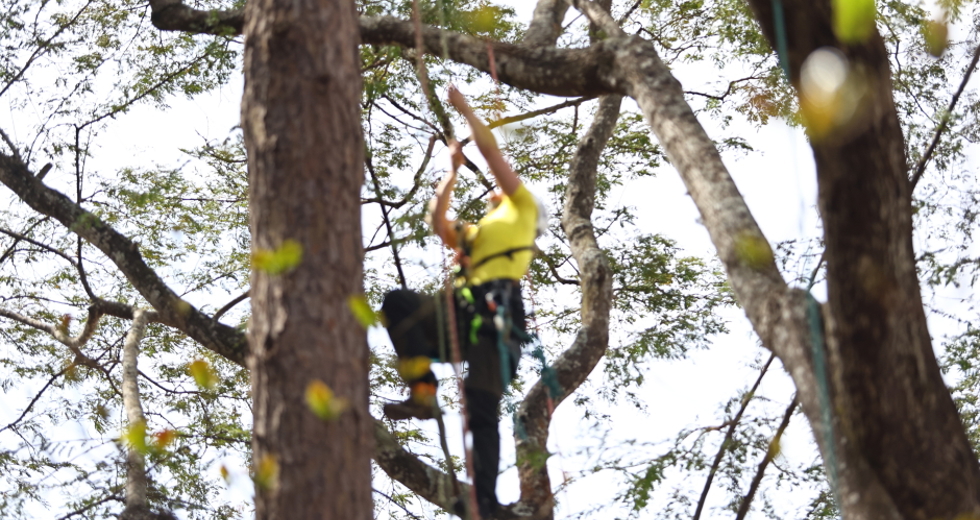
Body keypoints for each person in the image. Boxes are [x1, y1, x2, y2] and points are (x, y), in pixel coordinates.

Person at [381, 86, 545, 519]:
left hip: (498, 315)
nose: (495, 187)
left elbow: (492, 155)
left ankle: (486, 503)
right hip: (458, 310)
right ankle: (423, 392)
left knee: (481, 408)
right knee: (397, 302)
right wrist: (450, 172)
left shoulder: (523, 208)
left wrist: (464, 110)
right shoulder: (477, 233)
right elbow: (438, 220)